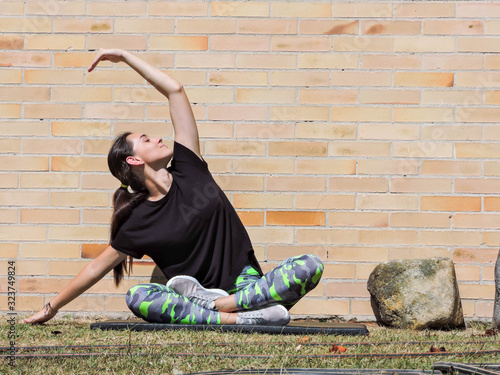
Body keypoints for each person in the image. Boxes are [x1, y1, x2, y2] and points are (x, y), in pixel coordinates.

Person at [24, 49, 324, 326]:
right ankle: (239, 320)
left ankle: (225, 306)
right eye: (145, 139)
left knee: (309, 265)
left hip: (248, 289)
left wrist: (126, 57)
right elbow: (94, 269)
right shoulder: (138, 220)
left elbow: (175, 90)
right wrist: (51, 308)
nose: (156, 138)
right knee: (138, 296)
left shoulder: (189, 167)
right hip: (203, 302)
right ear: (134, 159)